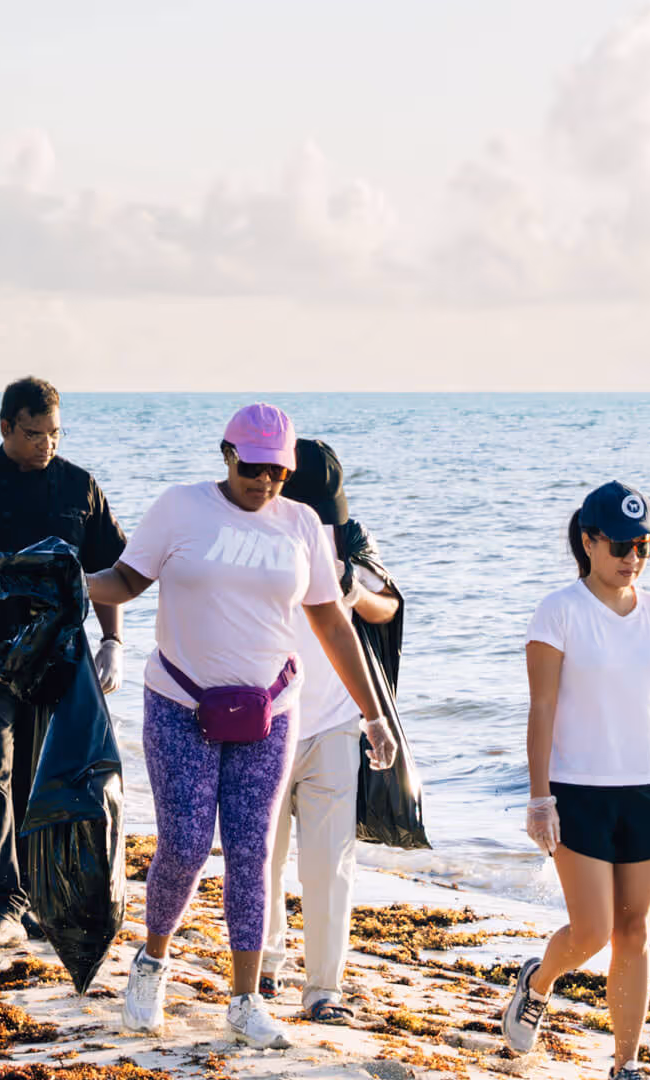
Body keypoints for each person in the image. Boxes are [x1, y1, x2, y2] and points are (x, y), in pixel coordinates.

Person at [86, 404, 399, 1049]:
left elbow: (333, 623)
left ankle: (245, 998)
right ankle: (151, 964)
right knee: (187, 844)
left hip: (270, 710)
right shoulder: (180, 508)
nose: (264, 483)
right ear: (227, 455)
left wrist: (374, 713)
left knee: (253, 854)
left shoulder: (303, 525)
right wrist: (68, 583)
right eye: (253, 468)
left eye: (278, 472)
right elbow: (124, 580)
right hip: (179, 701)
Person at [499, 481, 650, 1078]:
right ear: (588, 540)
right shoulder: (559, 610)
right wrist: (540, 798)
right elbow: (541, 709)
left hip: (648, 791)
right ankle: (538, 983)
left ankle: (625, 1065)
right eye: (619, 544)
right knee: (592, 929)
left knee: (635, 929)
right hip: (578, 791)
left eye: (643, 545)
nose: (631, 558)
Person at [0, 375, 128, 947]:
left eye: (55, 434)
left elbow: (111, 572)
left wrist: (113, 642)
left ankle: (37, 896)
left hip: (55, 656)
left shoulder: (79, 487)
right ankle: (4, 904)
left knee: (38, 781)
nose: (47, 445)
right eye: (35, 434)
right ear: (7, 427)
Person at [259, 438, 401, 1024]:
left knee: (330, 862)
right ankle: (263, 962)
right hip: (261, 721)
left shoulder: (349, 538)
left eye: (329, 516)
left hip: (336, 722)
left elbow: (388, 603)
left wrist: (355, 591)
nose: (320, 526)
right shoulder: (254, 529)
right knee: (261, 855)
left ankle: (323, 989)